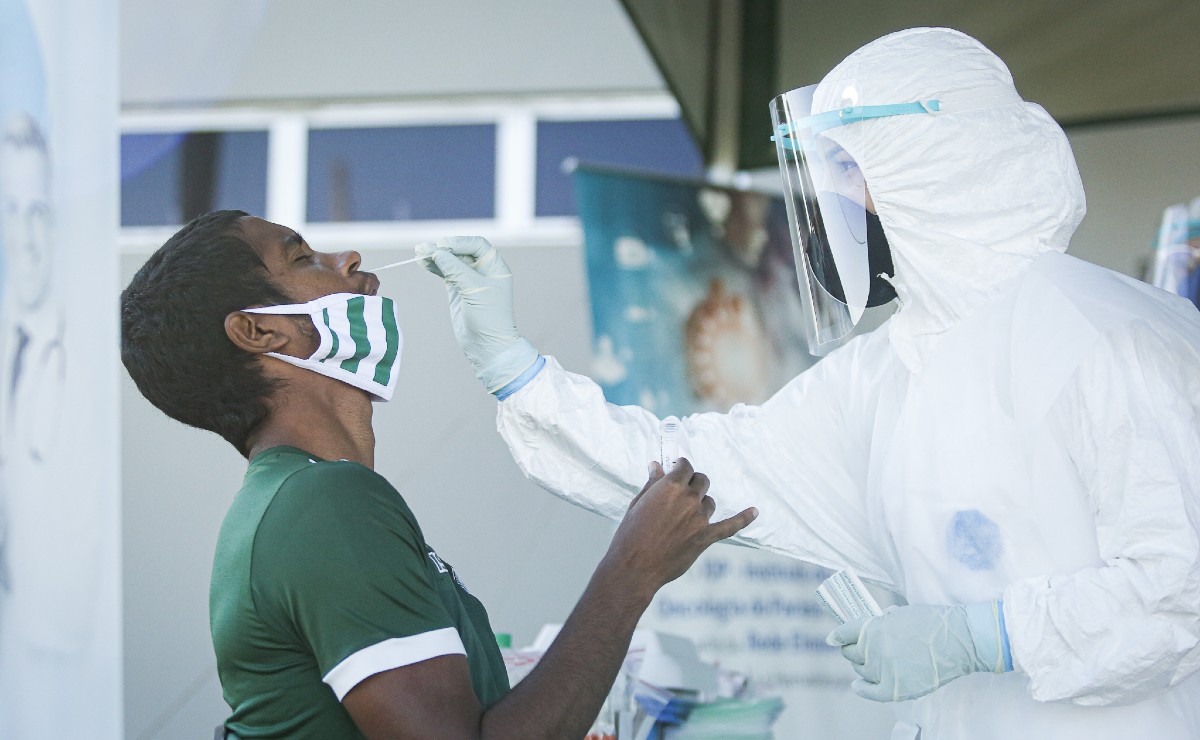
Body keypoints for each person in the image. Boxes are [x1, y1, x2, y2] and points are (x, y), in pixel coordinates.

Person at [421, 28, 1200, 740]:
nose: (830, 207)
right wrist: (517, 372)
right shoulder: (888, 372)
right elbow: (695, 473)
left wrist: (984, 637)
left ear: (941, 162)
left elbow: (1181, 587)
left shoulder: (1112, 338)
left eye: (848, 171)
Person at [119, 210, 756, 739]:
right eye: (303, 257)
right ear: (259, 332)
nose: (348, 259)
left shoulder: (301, 498)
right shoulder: (323, 504)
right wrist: (632, 570)